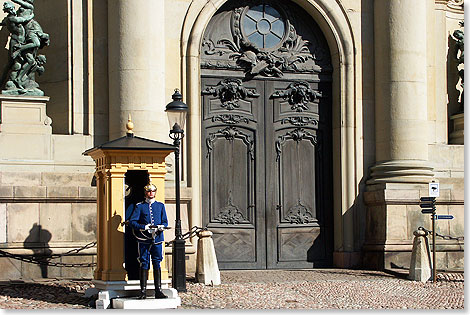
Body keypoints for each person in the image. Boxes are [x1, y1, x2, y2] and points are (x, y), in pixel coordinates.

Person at [128, 183, 169, 299]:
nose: (151, 194)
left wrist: (161, 226)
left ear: (155, 192)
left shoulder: (160, 206)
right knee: (144, 262)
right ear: (145, 193)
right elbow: (132, 222)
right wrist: (144, 227)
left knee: (157, 262)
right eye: (148, 192)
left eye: (152, 191)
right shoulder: (140, 206)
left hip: (157, 239)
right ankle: (143, 291)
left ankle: (158, 290)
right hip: (144, 239)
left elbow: (165, 221)